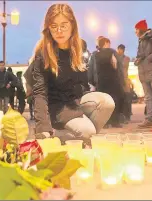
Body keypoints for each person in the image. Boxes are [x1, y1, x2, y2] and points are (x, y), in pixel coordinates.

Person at [30, 3, 115, 140]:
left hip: (75, 100)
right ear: (48, 29)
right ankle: (59, 136)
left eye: (63, 25)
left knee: (107, 102)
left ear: (72, 25)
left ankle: (80, 138)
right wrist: (43, 128)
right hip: (57, 106)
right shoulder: (43, 54)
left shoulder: (79, 47)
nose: (59, 30)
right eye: (53, 26)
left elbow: (83, 83)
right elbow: (40, 93)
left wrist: (84, 109)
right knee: (87, 131)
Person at [95, 38, 124, 128]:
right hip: (113, 80)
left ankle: (105, 122)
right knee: (115, 101)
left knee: (104, 102)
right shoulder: (112, 52)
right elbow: (116, 65)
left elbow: (93, 69)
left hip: (101, 81)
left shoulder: (96, 54)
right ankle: (115, 121)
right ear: (106, 43)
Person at [117, 44, 132, 123]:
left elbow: (123, 65)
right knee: (119, 99)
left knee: (127, 99)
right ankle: (120, 116)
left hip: (125, 80)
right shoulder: (116, 57)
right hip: (118, 80)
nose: (119, 51)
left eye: (121, 49)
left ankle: (127, 116)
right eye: (118, 49)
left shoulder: (126, 58)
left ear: (123, 50)